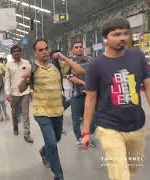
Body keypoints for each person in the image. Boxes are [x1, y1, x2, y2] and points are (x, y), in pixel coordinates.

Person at [82, 18, 150, 180]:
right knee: (120, 174)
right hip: (109, 127)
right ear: (105, 39)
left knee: (132, 169)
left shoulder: (137, 56)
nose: (122, 37)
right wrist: (86, 132)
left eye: (125, 34)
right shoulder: (96, 65)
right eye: (116, 34)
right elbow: (90, 99)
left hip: (137, 125)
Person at [19, 39, 85, 180]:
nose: (44, 52)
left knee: (57, 138)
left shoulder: (58, 65)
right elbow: (21, 89)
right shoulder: (33, 68)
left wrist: (63, 57)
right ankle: (59, 175)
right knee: (52, 143)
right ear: (35, 53)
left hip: (57, 110)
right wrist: (24, 79)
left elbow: (80, 71)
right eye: (40, 50)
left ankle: (44, 151)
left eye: (46, 48)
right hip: (41, 111)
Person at [67, 42, 96, 147]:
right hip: (77, 94)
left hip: (90, 94)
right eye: (76, 47)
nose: (79, 49)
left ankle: (88, 136)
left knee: (92, 117)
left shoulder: (90, 60)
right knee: (76, 119)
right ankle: (79, 138)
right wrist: (85, 84)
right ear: (72, 49)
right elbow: (70, 77)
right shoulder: (69, 62)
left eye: (80, 47)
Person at [5, 45, 33, 143]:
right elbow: (7, 80)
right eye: (14, 51)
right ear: (11, 54)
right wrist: (8, 93)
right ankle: (15, 127)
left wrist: (31, 90)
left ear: (21, 52)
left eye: (18, 51)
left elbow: (30, 77)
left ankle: (27, 133)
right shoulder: (8, 65)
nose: (16, 53)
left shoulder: (26, 62)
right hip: (14, 93)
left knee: (26, 113)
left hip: (25, 92)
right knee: (14, 113)